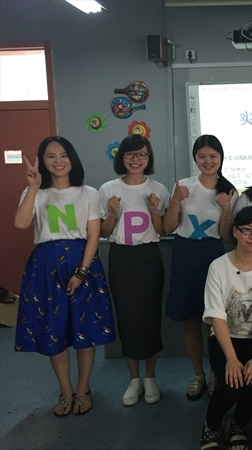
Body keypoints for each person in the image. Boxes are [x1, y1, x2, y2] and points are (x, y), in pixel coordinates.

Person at [14, 136, 115, 417]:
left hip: (82, 263)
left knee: (86, 329)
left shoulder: (88, 193)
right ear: (42, 162)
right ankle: (66, 390)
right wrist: (33, 188)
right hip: (45, 266)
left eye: (63, 155)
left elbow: (94, 235)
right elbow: (21, 223)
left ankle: (83, 389)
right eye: (50, 156)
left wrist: (82, 271)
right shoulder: (34, 191)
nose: (58, 161)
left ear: (72, 159)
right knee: (53, 328)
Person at [201, 206, 252, 450]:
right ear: (235, 231)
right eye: (247, 230)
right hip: (226, 338)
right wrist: (231, 358)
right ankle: (210, 425)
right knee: (231, 383)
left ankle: (239, 424)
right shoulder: (218, 266)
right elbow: (216, 316)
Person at [163, 134, 237, 400]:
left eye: (213, 156)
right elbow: (168, 227)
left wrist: (226, 210)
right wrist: (175, 200)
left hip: (213, 254)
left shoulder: (229, 190)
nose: (208, 161)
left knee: (215, 319)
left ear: (221, 158)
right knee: (191, 318)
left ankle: (217, 373)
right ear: (195, 158)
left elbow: (226, 236)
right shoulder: (183, 186)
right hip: (184, 253)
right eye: (202, 156)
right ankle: (198, 375)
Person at [99, 135, 170, 406]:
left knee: (150, 315)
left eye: (141, 154)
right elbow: (104, 232)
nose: (136, 159)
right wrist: (111, 214)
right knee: (127, 316)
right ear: (122, 158)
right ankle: (134, 378)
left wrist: (154, 210)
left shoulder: (158, 189)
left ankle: (150, 377)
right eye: (130, 154)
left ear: (148, 158)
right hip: (121, 257)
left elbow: (162, 230)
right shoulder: (108, 189)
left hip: (149, 256)